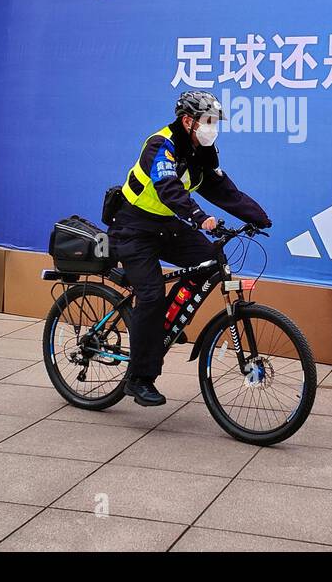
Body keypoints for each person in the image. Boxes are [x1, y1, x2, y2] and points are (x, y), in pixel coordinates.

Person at [111, 91, 271, 406]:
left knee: (210, 261)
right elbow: (168, 187)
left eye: (215, 122)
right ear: (188, 121)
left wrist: (259, 217)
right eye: (208, 121)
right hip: (132, 228)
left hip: (166, 225)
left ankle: (164, 324)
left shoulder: (202, 151)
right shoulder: (162, 144)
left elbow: (224, 190)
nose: (213, 128)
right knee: (152, 295)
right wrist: (198, 217)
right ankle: (139, 378)